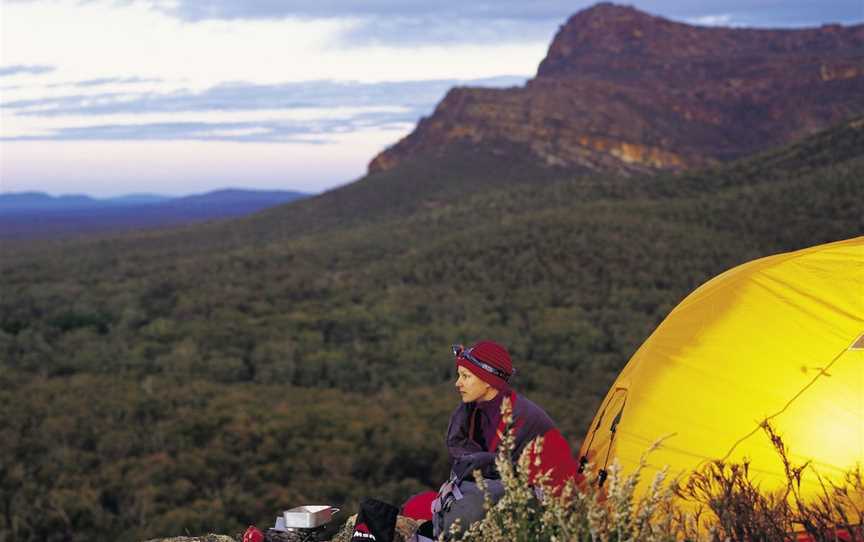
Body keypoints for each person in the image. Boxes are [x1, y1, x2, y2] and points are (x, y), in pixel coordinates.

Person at [428, 340, 581, 539]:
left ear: (488, 380)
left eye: (466, 376)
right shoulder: (473, 409)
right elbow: (470, 457)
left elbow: (506, 471)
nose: (458, 383)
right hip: (510, 487)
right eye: (459, 375)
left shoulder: (519, 416)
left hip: (549, 499)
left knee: (468, 510)